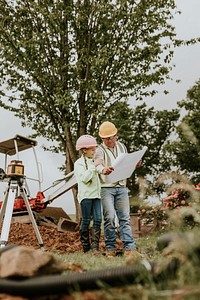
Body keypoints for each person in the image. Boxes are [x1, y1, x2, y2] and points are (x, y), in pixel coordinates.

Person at [95, 121, 142, 257]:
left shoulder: (122, 146)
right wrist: (103, 170)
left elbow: (126, 164)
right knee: (109, 217)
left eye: (111, 137)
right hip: (107, 189)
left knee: (124, 218)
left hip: (121, 187)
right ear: (102, 138)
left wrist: (135, 164)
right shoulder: (99, 149)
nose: (109, 140)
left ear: (116, 135)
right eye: (106, 138)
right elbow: (98, 164)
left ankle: (130, 248)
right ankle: (110, 247)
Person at [74, 134, 107, 254]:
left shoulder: (94, 162)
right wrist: (94, 166)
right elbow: (85, 178)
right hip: (86, 196)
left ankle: (95, 248)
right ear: (84, 150)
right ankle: (86, 248)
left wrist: (104, 169)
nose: (95, 151)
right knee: (86, 220)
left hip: (96, 196)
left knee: (98, 219)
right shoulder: (79, 164)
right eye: (92, 149)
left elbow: (101, 178)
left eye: (95, 148)